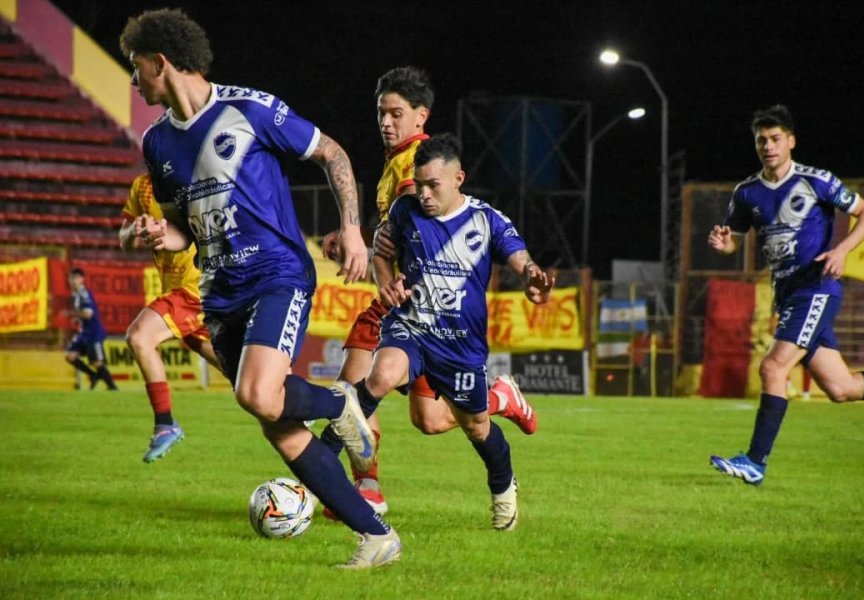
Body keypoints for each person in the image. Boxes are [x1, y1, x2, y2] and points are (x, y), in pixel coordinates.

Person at [119, 8, 399, 568]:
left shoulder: (250, 108)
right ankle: (376, 537)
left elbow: (333, 153)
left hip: (276, 275)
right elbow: (183, 231)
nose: (132, 80)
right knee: (279, 428)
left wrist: (350, 226)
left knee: (255, 394)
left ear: (161, 62)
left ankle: (339, 403)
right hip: (218, 294)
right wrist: (150, 234)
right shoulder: (156, 144)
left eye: (136, 68)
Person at [319, 67, 537, 517]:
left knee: (355, 389)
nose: (385, 121)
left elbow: (416, 223)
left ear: (421, 116)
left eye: (396, 113)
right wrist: (354, 241)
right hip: (403, 306)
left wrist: (360, 239)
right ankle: (500, 398)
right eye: (381, 112)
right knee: (430, 419)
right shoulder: (397, 161)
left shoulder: (416, 166)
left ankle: (349, 485)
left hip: (424, 309)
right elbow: (389, 240)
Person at [364, 133, 554, 530]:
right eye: (420, 185)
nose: (425, 194)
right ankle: (313, 483)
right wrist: (384, 281)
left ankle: (503, 488)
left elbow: (520, 259)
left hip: (460, 345)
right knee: (379, 377)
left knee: (470, 426)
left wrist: (531, 276)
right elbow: (380, 254)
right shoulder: (404, 210)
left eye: (434, 185)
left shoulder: (487, 220)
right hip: (412, 326)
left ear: (458, 179)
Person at [708, 104, 864, 485]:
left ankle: (755, 461)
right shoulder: (747, 193)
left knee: (772, 367)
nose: (768, 146)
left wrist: (843, 250)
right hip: (789, 295)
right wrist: (724, 244)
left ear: (791, 141)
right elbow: (735, 239)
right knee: (841, 388)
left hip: (817, 289)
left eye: (776, 139)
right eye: (761, 140)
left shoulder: (818, 181)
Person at [120, 173, 224, 463]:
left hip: (196, 287)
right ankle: (289, 402)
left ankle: (165, 423)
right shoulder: (141, 185)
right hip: (175, 286)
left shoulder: (192, 176)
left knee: (139, 336)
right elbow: (123, 239)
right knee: (234, 369)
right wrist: (135, 231)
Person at [64, 267, 118, 391]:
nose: (72, 281)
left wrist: (72, 314)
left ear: (82, 279)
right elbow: (82, 314)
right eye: (70, 278)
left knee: (97, 363)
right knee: (70, 356)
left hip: (93, 333)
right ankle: (93, 376)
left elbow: (88, 313)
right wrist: (77, 319)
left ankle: (113, 388)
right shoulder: (75, 294)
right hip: (83, 332)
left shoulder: (84, 293)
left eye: (75, 278)